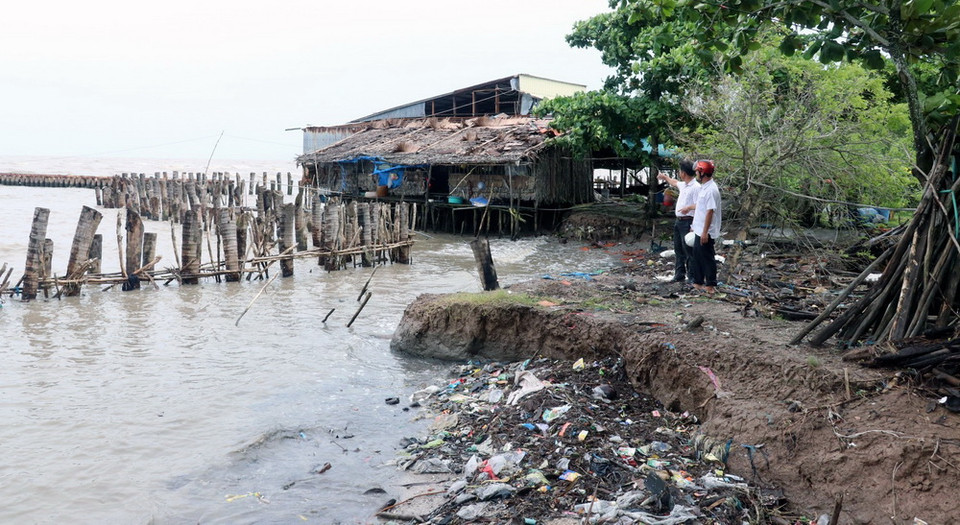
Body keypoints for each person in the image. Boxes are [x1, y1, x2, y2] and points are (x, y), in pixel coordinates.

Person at [657, 160, 700, 283]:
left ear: (684, 173)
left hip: (689, 221)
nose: (679, 173)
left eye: (680, 171)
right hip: (679, 221)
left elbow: (699, 205)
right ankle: (679, 274)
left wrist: (694, 225)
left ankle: (692, 277)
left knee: (689, 250)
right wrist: (665, 177)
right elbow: (674, 182)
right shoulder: (684, 185)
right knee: (678, 249)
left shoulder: (696, 187)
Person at [689, 160, 721, 294]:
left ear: (703, 172)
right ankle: (698, 281)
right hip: (699, 228)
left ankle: (710, 284)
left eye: (697, 171)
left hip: (705, 230)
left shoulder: (711, 190)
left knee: (707, 257)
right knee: (697, 256)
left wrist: (705, 232)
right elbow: (701, 210)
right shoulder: (704, 187)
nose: (696, 173)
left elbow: (709, 212)